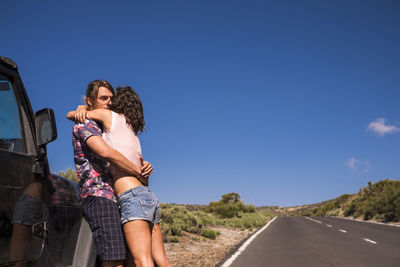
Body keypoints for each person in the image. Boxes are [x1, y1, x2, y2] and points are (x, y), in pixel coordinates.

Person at [68, 86, 170, 267]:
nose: (109, 103)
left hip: (132, 196)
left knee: (142, 260)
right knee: (160, 260)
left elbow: (71, 116)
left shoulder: (111, 118)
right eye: (105, 99)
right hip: (147, 196)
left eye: (112, 100)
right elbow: (141, 173)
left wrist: (81, 109)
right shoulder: (132, 132)